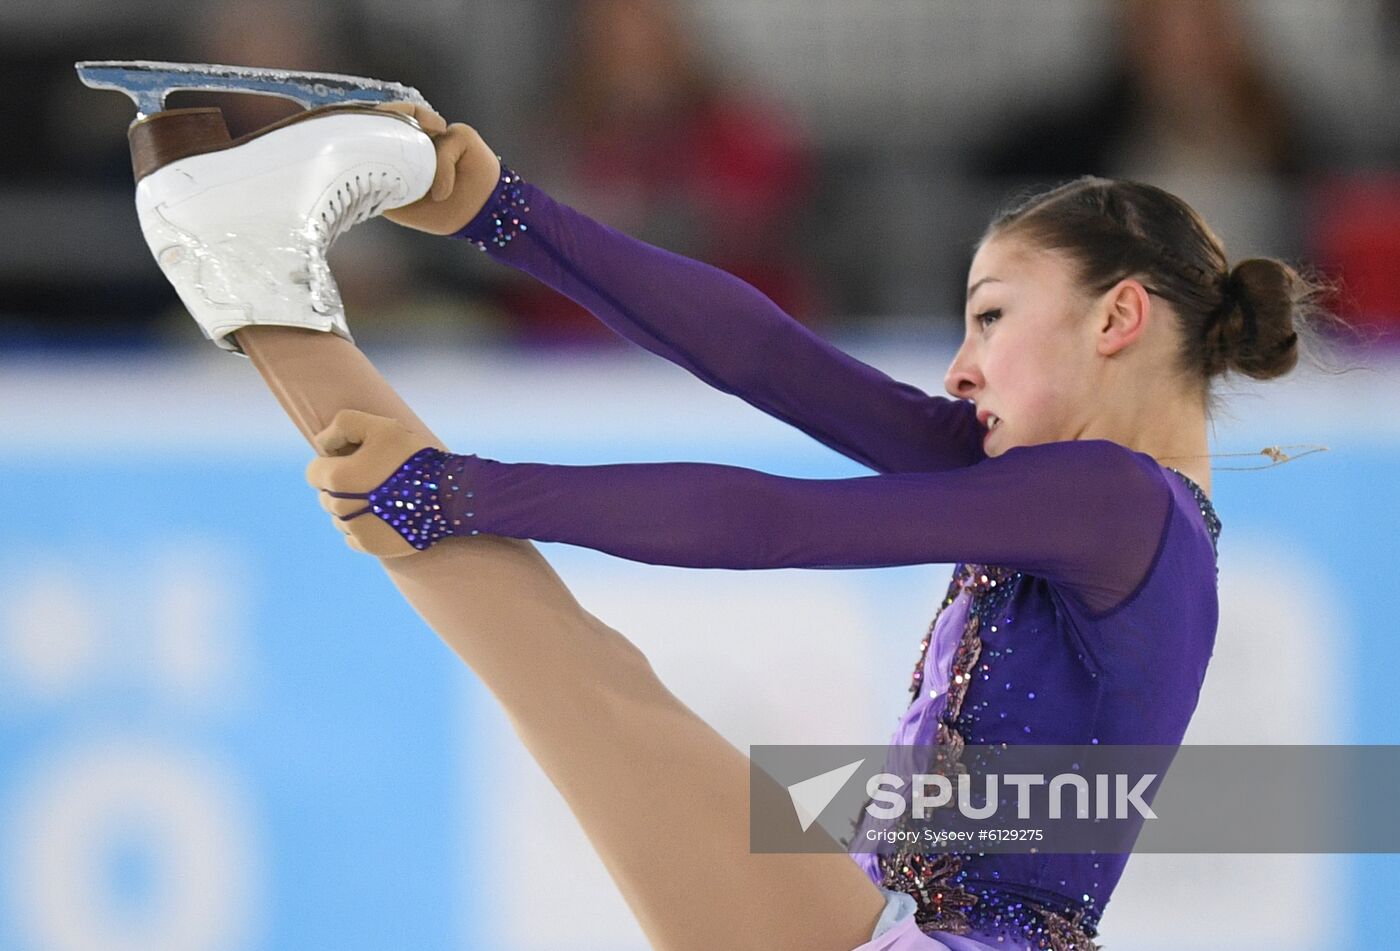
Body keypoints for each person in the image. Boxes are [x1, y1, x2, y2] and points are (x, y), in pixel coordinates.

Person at [128, 96, 1329, 950]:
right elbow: (766, 358)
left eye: (991, 315)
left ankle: (248, 280)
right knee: (573, 670)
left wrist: (470, 490)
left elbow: (778, 520)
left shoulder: (1113, 502)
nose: (961, 369)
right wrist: (502, 212)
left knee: (575, 673)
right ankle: (249, 277)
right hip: (897, 927)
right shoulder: (1060, 494)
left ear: (1116, 318)